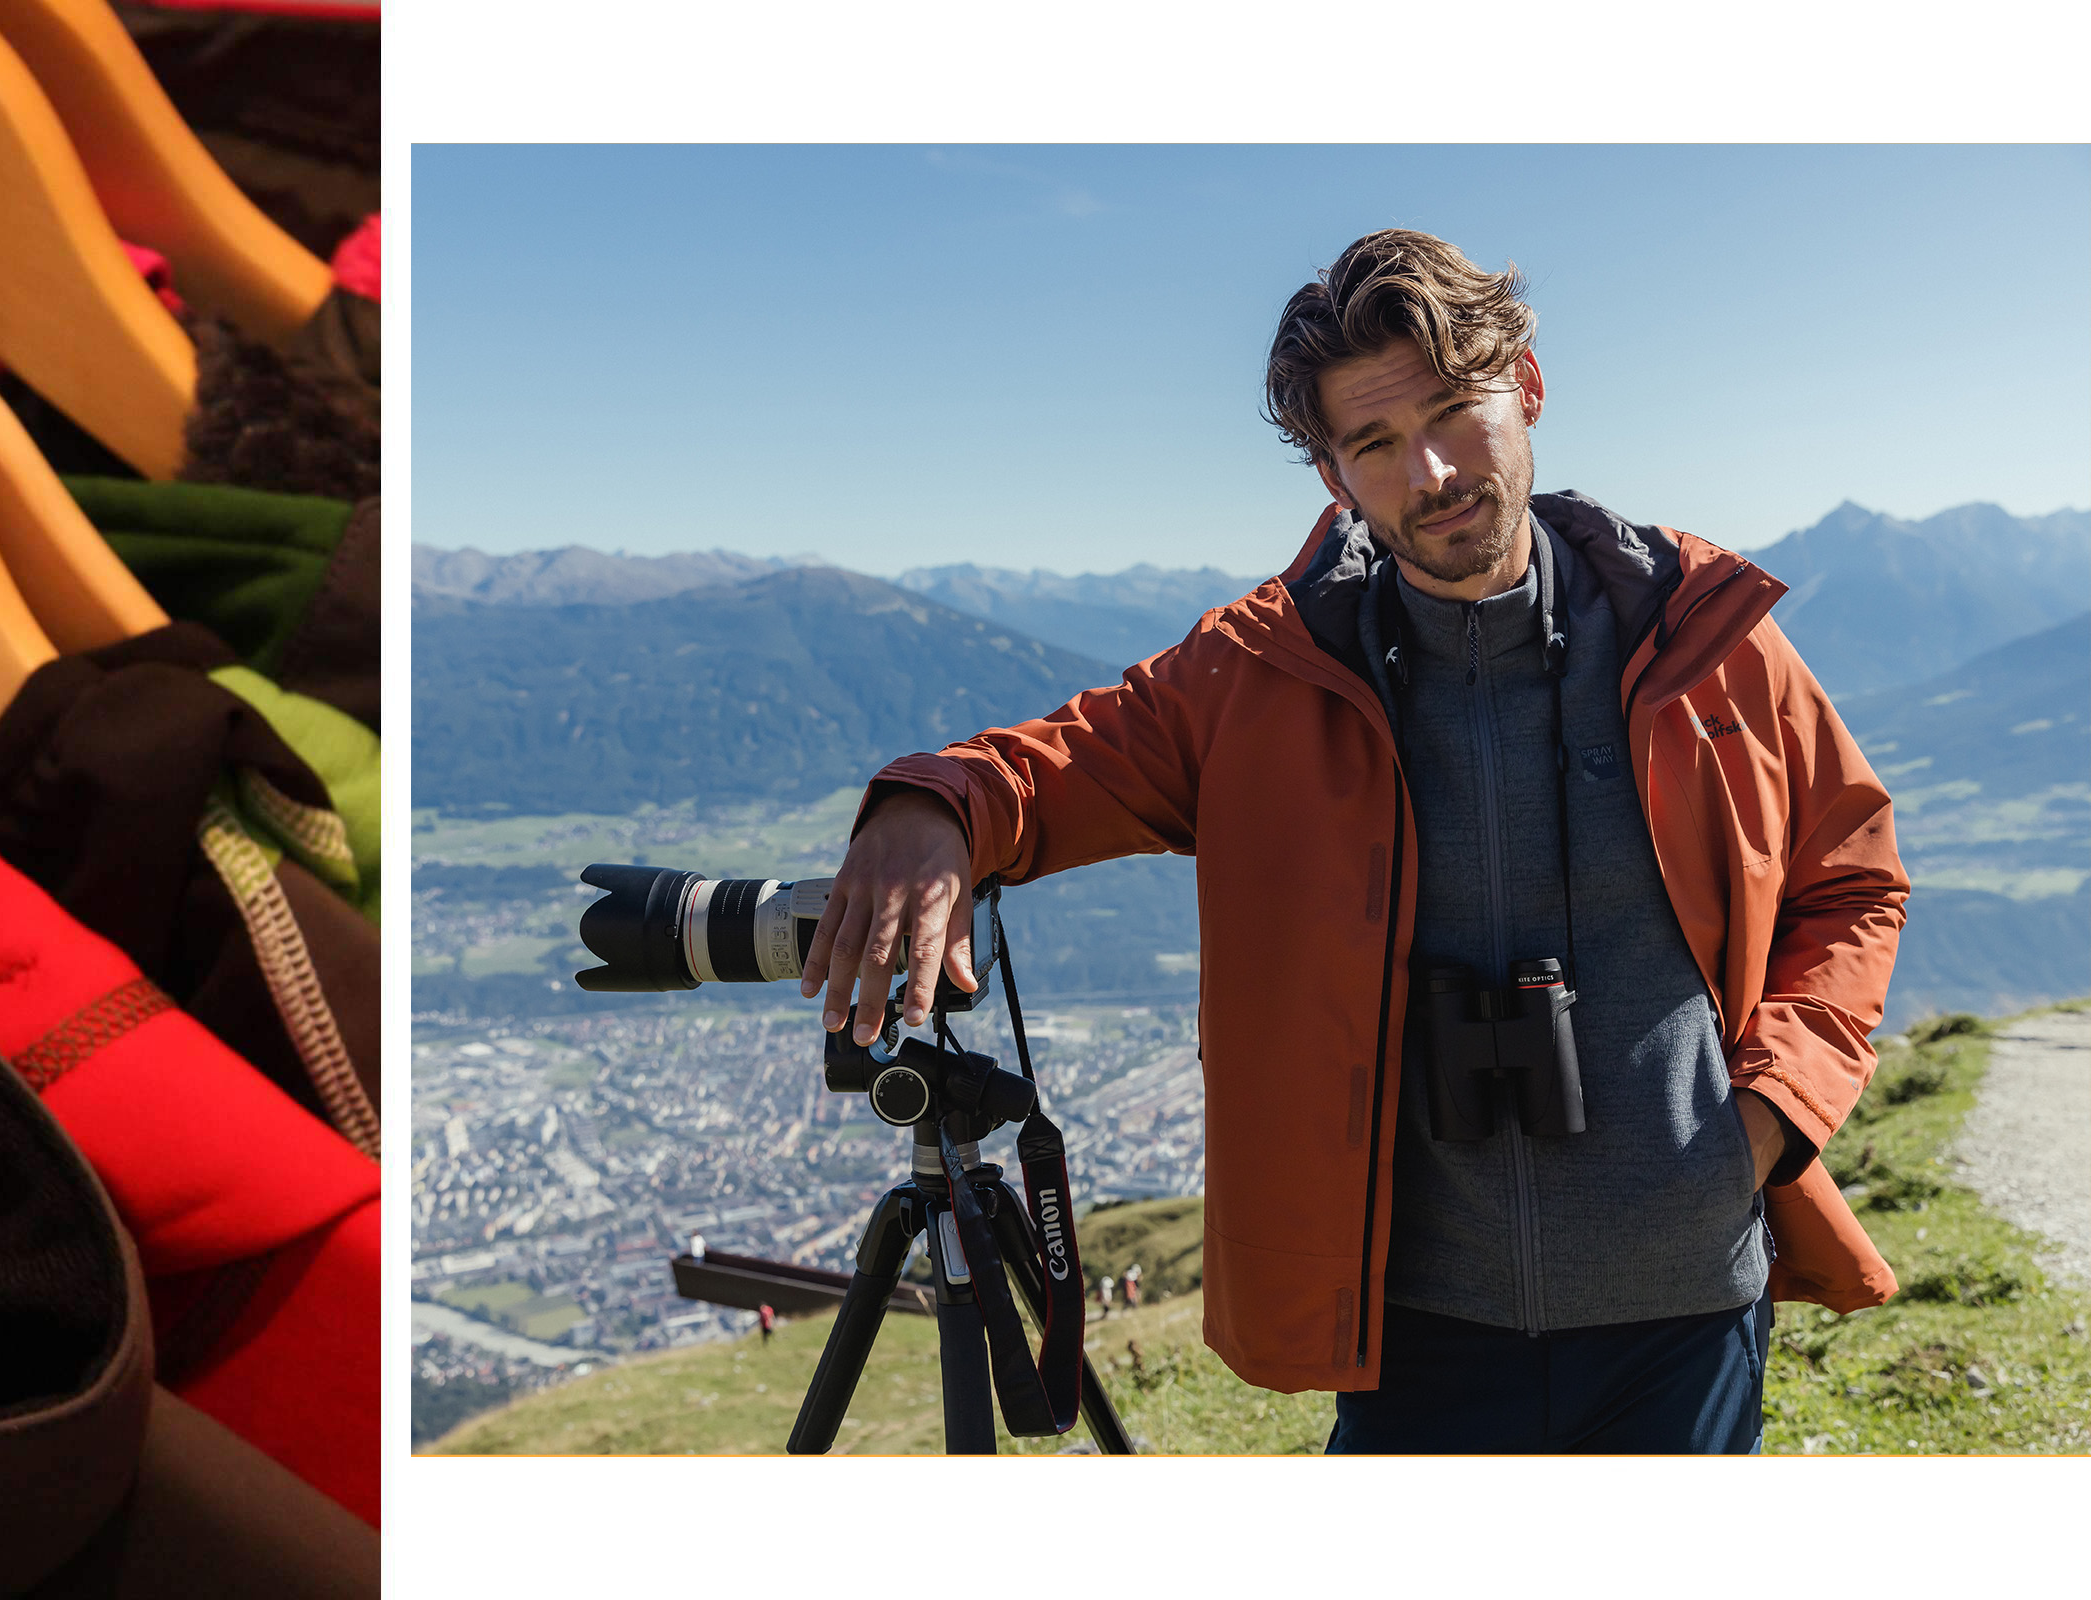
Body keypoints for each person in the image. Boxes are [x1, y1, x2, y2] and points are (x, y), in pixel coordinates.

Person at [800, 229, 1906, 1454]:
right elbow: (1055, 765)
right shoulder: (1263, 673)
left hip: (1687, 1306)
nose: (1431, 472)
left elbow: (1850, 877)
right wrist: (929, 806)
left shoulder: (1699, 635)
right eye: (1375, 443)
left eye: (1453, 411)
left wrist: (1764, 1115)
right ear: (1334, 478)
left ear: (1525, 388)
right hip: (1419, 1327)